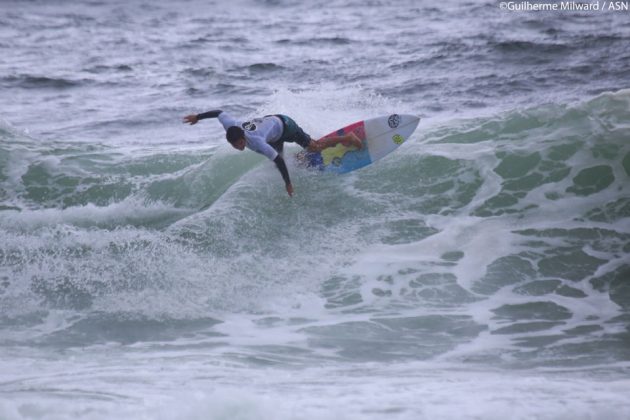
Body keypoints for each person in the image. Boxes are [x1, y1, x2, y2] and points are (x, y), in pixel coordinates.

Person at [183, 110, 362, 197]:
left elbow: (278, 161)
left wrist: (288, 183)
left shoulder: (257, 142)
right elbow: (219, 113)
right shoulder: (231, 126)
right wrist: (198, 117)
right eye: (234, 145)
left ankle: (349, 138)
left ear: (243, 138)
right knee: (288, 158)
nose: (238, 147)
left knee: (313, 146)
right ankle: (301, 158)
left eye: (239, 144)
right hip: (272, 126)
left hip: (286, 126)